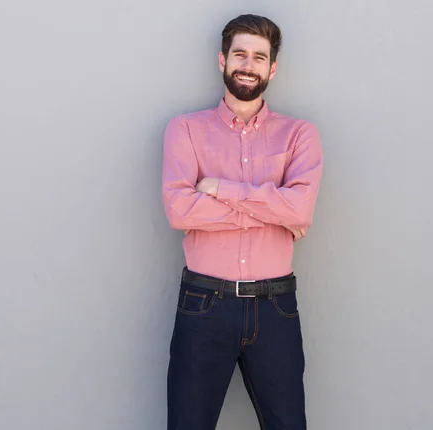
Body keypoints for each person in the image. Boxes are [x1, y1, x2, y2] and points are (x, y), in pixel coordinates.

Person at [161, 14, 323, 430]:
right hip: (204, 304)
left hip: (276, 308)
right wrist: (273, 209)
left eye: (259, 57)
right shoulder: (186, 130)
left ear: (273, 67)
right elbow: (180, 211)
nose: (248, 64)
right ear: (222, 60)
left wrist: (219, 188)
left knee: (288, 424)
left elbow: (300, 211)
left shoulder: (299, 135)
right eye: (240, 54)